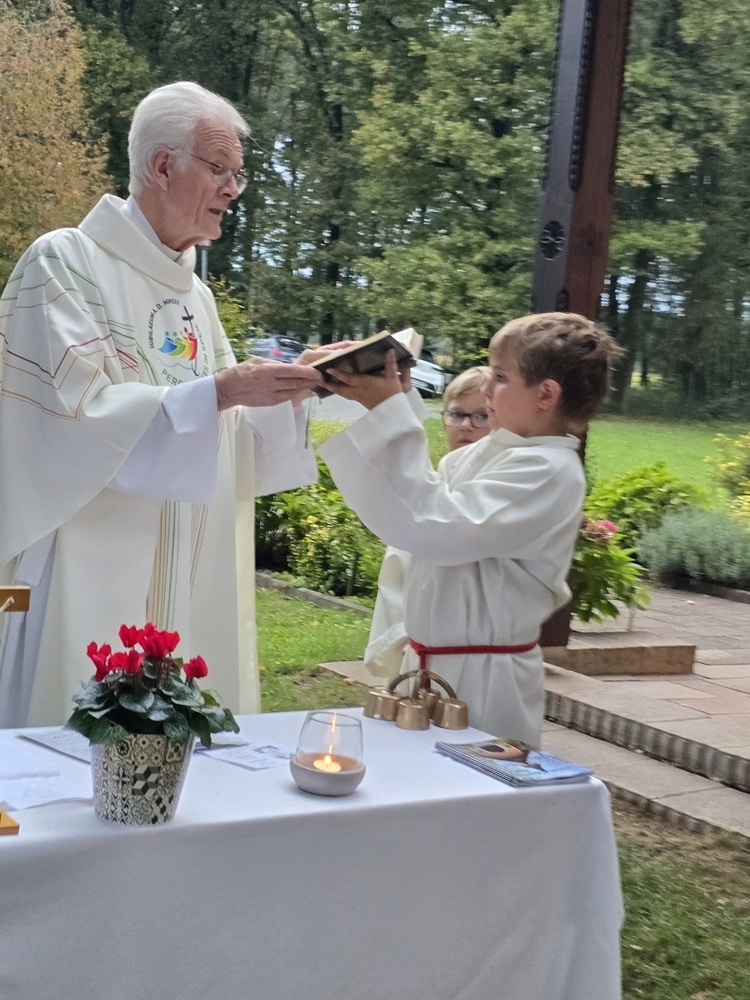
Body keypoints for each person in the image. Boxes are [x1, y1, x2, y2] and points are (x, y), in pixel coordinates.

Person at [0, 82, 325, 727]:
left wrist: (291, 388)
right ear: (161, 165)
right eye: (220, 168)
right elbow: (68, 423)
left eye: (238, 173)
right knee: (73, 758)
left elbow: (222, 435)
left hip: (187, 577)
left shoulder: (195, 296)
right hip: (87, 569)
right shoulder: (65, 261)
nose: (234, 188)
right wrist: (223, 391)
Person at [319, 313, 622, 744]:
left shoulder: (549, 469)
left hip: (485, 679)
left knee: (471, 782)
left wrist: (389, 411)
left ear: (546, 394)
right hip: (428, 664)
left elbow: (435, 527)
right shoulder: (481, 456)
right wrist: (395, 400)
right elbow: (413, 501)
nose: (486, 388)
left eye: (500, 377)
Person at [364, 366, 492, 680]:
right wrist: (401, 634)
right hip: (416, 647)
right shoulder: (433, 483)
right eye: (457, 414)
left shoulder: (496, 490)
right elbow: (397, 575)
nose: (465, 425)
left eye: (481, 416)